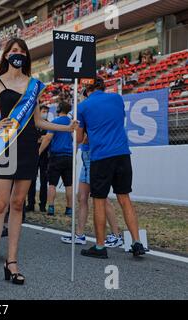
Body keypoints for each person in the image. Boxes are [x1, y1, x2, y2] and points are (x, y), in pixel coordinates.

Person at [0, 38, 77, 291]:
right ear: (6, 55)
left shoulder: (33, 86)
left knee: (17, 204)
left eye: (22, 51)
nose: (18, 54)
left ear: (26, 56)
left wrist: (65, 128)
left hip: (28, 148)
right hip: (5, 148)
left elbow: (39, 122)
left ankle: (12, 262)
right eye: (14, 51)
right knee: (0, 204)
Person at [77, 77, 145, 259]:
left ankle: (100, 247)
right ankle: (137, 242)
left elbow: (79, 139)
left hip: (101, 157)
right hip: (122, 153)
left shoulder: (83, 106)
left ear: (85, 91)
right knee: (125, 199)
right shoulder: (116, 99)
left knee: (99, 200)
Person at [60, 135, 124, 248]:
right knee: (81, 197)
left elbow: (84, 138)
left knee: (102, 199)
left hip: (94, 157)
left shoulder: (91, 119)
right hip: (86, 158)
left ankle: (117, 235)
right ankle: (79, 235)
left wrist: (75, 135)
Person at [39, 101, 74, 216]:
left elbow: (48, 138)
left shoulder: (55, 122)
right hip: (69, 156)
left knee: (52, 184)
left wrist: (38, 152)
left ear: (58, 109)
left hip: (56, 156)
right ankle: (69, 209)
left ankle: (51, 208)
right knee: (68, 185)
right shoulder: (72, 122)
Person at [26, 105, 50, 213]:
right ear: (38, 112)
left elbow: (48, 139)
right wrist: (40, 139)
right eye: (43, 111)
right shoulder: (32, 123)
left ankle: (43, 205)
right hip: (32, 154)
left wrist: (42, 139)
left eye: (46, 111)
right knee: (32, 180)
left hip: (45, 156)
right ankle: (31, 204)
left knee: (44, 181)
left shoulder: (49, 124)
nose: (45, 113)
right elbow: (33, 138)